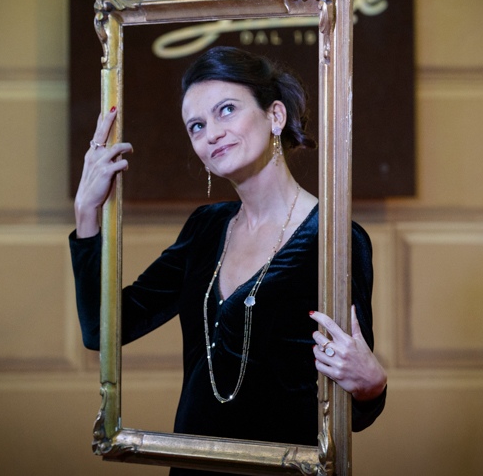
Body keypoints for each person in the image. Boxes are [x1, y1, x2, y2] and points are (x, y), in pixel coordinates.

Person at [70, 46, 387, 476]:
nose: (212, 133)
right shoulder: (205, 228)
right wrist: (87, 212)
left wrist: (372, 385)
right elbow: (101, 329)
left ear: (275, 116)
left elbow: (354, 408)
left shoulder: (335, 239)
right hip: (194, 468)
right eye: (197, 125)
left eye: (227, 110)